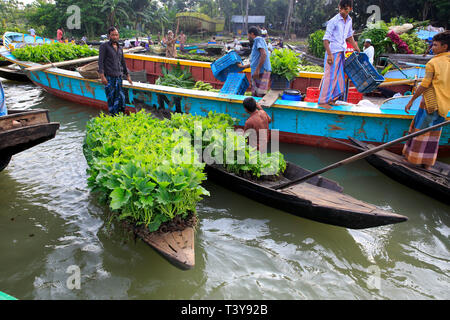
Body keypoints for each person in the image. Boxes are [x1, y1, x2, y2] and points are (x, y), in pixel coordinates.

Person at [403, 31, 450, 170]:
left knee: (420, 132)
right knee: (433, 135)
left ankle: (414, 162)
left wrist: (411, 100)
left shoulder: (433, 62)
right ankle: (427, 165)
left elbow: (424, 84)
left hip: (429, 103)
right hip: (444, 105)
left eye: (435, 45)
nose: (432, 47)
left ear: (444, 46)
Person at [318, 0, 360, 108]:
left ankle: (331, 98)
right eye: (341, 8)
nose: (343, 11)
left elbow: (349, 36)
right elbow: (326, 40)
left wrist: (357, 48)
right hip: (332, 52)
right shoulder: (334, 21)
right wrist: (330, 54)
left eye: (346, 9)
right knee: (329, 76)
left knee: (338, 76)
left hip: (341, 51)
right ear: (339, 7)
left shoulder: (349, 20)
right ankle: (323, 101)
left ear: (350, 9)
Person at [98, 27, 133, 116]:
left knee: (121, 99)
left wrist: (127, 75)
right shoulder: (104, 46)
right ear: (109, 36)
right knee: (112, 99)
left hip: (119, 77)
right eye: (113, 35)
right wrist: (102, 76)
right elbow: (100, 62)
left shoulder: (120, 47)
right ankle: (113, 117)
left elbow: (123, 62)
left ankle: (120, 117)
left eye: (116, 35)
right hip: (109, 77)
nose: (115, 37)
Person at [238, 26, 272, 97]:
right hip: (258, 72)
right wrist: (243, 66)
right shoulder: (257, 42)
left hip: (261, 72)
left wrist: (257, 70)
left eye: (248, 35)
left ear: (252, 34)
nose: (248, 37)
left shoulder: (258, 39)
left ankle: (260, 108)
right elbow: (255, 61)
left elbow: (264, 54)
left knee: (259, 95)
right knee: (255, 95)